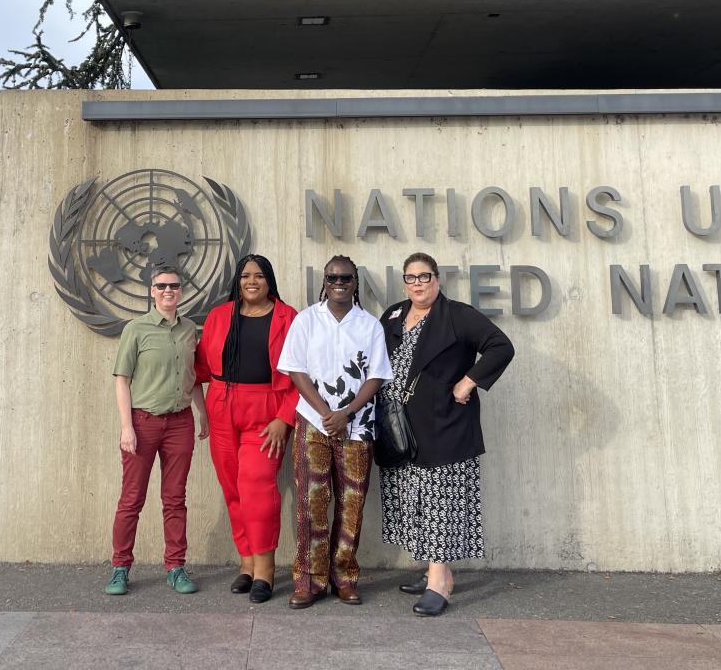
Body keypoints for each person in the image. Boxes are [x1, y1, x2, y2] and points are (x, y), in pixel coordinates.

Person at [378, 251, 515, 617]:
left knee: (439, 503)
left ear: (437, 280)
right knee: (415, 503)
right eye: (411, 277)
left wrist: (468, 381)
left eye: (425, 277)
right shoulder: (393, 315)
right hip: (402, 427)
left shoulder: (457, 315)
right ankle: (434, 570)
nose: (418, 284)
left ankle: (439, 583)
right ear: (404, 282)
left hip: (444, 425)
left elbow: (501, 347)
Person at [277, 255, 392, 608]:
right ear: (324, 282)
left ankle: (345, 576)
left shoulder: (370, 325)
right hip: (313, 423)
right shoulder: (307, 320)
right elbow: (296, 370)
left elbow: (376, 375)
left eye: (345, 277)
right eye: (332, 277)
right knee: (312, 503)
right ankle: (309, 581)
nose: (338, 282)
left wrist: (348, 412)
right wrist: (327, 413)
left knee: (352, 503)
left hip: (357, 427)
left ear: (355, 282)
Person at [192, 254, 298, 603]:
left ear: (270, 280)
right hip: (222, 407)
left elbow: (302, 372)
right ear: (237, 281)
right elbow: (201, 366)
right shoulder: (219, 317)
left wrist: (285, 418)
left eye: (259, 275)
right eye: (245, 275)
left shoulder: (288, 317)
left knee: (257, 488)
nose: (251, 281)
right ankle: (247, 563)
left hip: (266, 412)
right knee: (233, 489)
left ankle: (266, 569)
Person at [105, 265, 209, 596]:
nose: (169, 291)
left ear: (181, 291)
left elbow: (193, 379)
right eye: (162, 286)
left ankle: (175, 567)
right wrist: (126, 427)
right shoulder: (136, 330)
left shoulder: (190, 329)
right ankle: (120, 567)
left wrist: (202, 414)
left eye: (175, 286)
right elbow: (122, 379)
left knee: (175, 499)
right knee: (132, 498)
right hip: (143, 423)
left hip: (180, 423)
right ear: (152, 291)